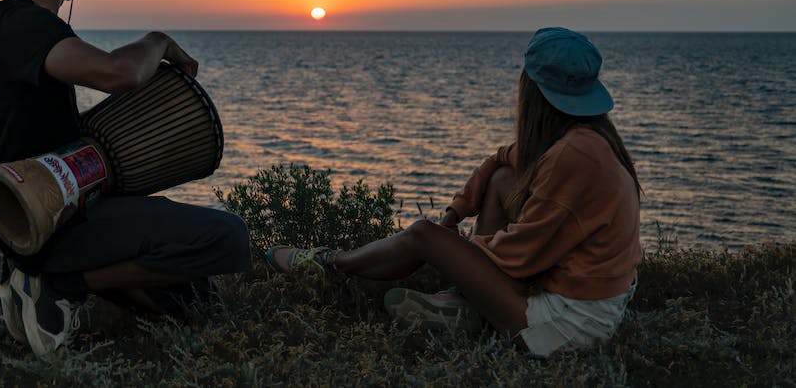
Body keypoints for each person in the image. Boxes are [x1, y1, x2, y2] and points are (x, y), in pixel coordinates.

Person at [0, 0, 251, 357]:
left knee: (198, 301)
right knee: (228, 238)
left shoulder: (1, 25)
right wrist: (156, 40)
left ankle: (29, 281)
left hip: (32, 222)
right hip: (51, 224)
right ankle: (57, 285)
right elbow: (120, 74)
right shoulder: (26, 27)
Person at [266, 27, 641, 357]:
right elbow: (503, 159)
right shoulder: (585, 140)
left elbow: (521, 254)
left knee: (423, 234)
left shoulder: (572, 156)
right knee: (502, 179)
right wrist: (456, 213)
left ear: (533, 91)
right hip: (596, 308)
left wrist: (450, 249)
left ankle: (331, 265)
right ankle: (465, 303)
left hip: (566, 326)